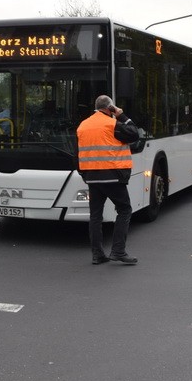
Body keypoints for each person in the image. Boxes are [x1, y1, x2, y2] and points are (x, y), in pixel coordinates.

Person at [76, 95, 141, 265]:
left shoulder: (83, 125)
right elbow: (134, 134)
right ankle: (118, 251)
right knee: (125, 209)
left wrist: (85, 175)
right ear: (110, 108)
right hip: (113, 176)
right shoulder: (112, 124)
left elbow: (79, 153)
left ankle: (97, 255)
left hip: (91, 177)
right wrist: (121, 115)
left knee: (95, 216)